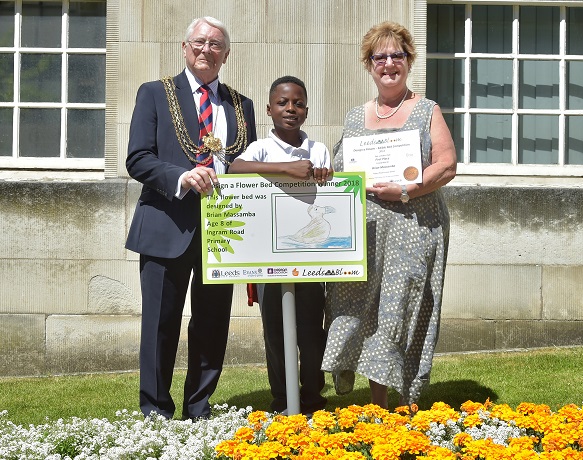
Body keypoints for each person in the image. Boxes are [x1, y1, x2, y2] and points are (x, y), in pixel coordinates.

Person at [125, 16, 257, 420]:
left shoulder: (241, 104)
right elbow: (137, 158)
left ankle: (198, 408)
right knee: (160, 326)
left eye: (216, 44)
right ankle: (155, 412)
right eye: (199, 42)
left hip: (222, 231)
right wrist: (181, 175)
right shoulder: (154, 93)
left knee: (212, 325)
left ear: (226, 54)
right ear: (185, 48)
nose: (206, 49)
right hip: (166, 225)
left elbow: (247, 166)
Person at [321, 22, 457, 410]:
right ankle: (376, 401)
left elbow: (446, 164)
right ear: (369, 65)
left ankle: (405, 399)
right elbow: (340, 170)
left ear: (408, 61)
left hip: (414, 225)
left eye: (397, 55)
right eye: (379, 57)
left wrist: (407, 189)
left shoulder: (426, 110)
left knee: (402, 306)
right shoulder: (353, 116)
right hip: (364, 229)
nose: (388, 64)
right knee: (358, 308)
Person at [229, 76, 330, 415]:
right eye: (283, 103)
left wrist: (324, 174)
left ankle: (313, 397)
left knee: (312, 334)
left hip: (310, 260)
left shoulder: (318, 149)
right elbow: (235, 168)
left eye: (298, 103)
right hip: (270, 260)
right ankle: (282, 399)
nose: (291, 108)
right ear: (270, 108)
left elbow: (333, 190)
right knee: (275, 333)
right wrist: (286, 168)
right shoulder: (260, 148)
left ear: (306, 110)